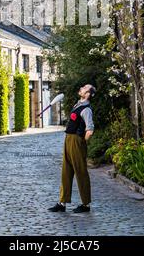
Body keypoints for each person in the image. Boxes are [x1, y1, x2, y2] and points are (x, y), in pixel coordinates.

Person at [48, 84, 96, 214]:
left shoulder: (86, 109)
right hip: (68, 139)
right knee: (66, 172)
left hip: (76, 141)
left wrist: (81, 141)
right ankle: (62, 203)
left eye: (85, 88)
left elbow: (90, 129)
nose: (81, 88)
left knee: (81, 172)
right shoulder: (78, 104)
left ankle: (85, 204)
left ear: (87, 94)